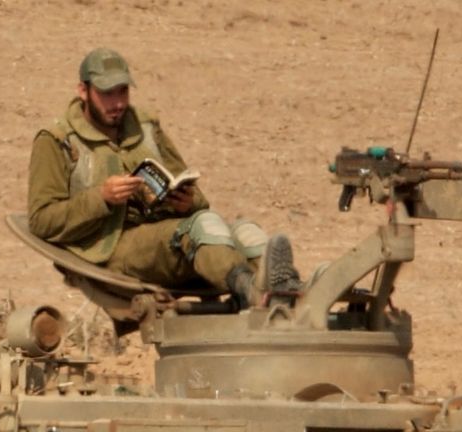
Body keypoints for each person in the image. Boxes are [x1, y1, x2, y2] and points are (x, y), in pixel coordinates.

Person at [27, 47, 300, 308]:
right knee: (201, 228)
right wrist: (102, 198)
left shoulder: (145, 127)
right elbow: (41, 220)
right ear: (83, 91)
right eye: (107, 93)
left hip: (168, 238)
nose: (118, 103)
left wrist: (187, 203)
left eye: (123, 91)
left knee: (244, 232)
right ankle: (253, 293)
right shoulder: (57, 140)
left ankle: (285, 290)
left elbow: (195, 194)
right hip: (112, 246)